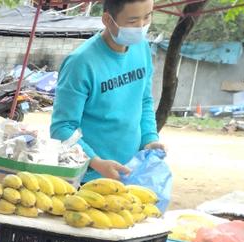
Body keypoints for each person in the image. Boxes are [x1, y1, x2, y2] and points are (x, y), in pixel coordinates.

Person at [50, 0, 166, 181]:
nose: (141, 26)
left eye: (147, 17)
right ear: (107, 20)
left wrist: (149, 138)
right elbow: (62, 128)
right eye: (133, 21)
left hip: (131, 171)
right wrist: (96, 162)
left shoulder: (142, 48)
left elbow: (143, 100)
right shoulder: (80, 63)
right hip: (86, 178)